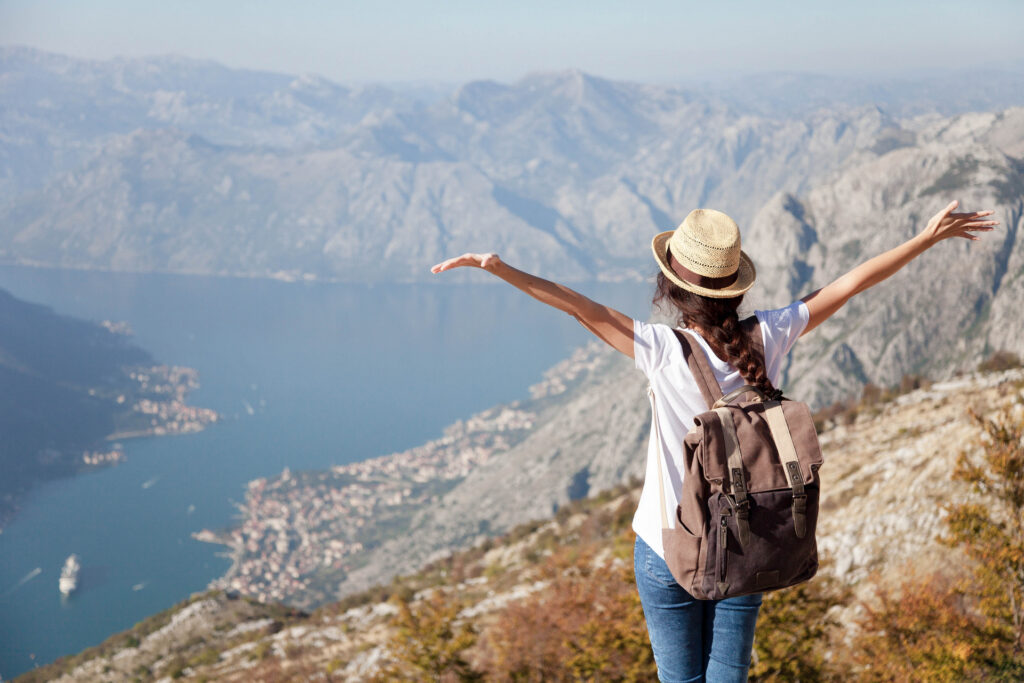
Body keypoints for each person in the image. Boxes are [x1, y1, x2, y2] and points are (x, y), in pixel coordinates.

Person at [430, 199, 997, 682]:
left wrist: (501, 268)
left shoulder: (660, 349)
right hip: (744, 541)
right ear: (733, 284)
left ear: (671, 283)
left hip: (666, 548)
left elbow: (579, 306)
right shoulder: (769, 335)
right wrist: (924, 239)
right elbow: (850, 284)